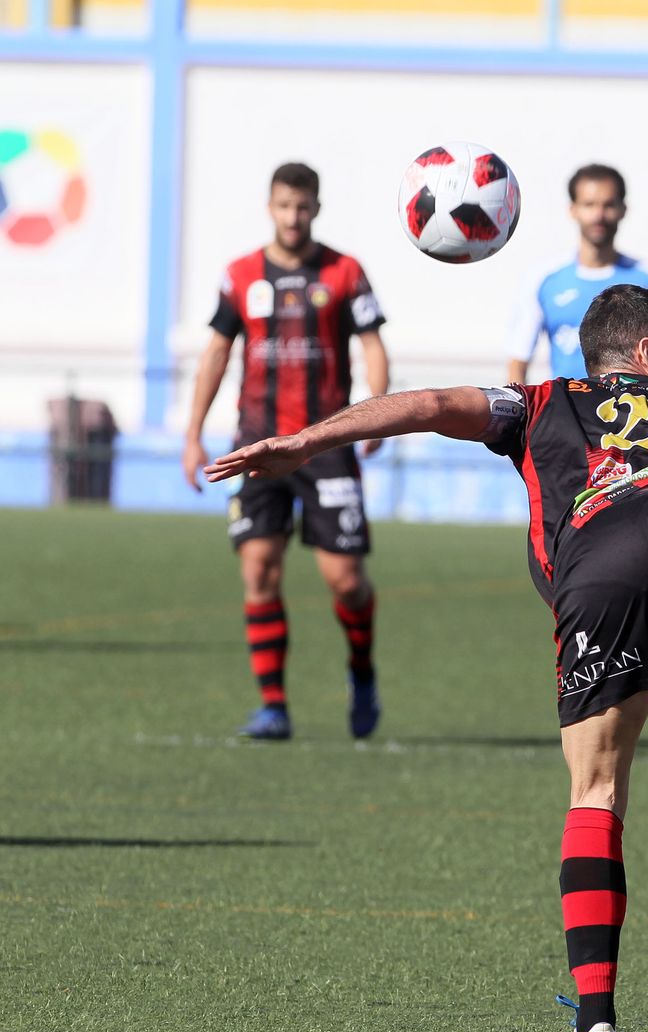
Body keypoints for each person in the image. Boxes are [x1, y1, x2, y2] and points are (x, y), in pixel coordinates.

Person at [208, 284, 648, 1032]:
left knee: (598, 793)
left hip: (598, 568)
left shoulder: (534, 403)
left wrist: (307, 441)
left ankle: (595, 1029)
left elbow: (430, 402)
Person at [181, 161, 389, 741]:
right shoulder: (241, 274)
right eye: (283, 206)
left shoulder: (345, 272)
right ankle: (273, 705)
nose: (293, 217)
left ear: (316, 208)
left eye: (303, 207)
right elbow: (216, 354)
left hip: (325, 441)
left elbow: (373, 345)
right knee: (259, 570)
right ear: (269, 207)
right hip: (255, 444)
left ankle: (362, 672)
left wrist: (376, 412)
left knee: (346, 579)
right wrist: (194, 433)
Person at [505, 164, 648, 384]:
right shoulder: (544, 279)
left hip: (635, 413)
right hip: (567, 413)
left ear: (623, 209)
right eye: (589, 204)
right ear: (573, 209)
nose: (599, 215)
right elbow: (518, 361)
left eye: (608, 205)